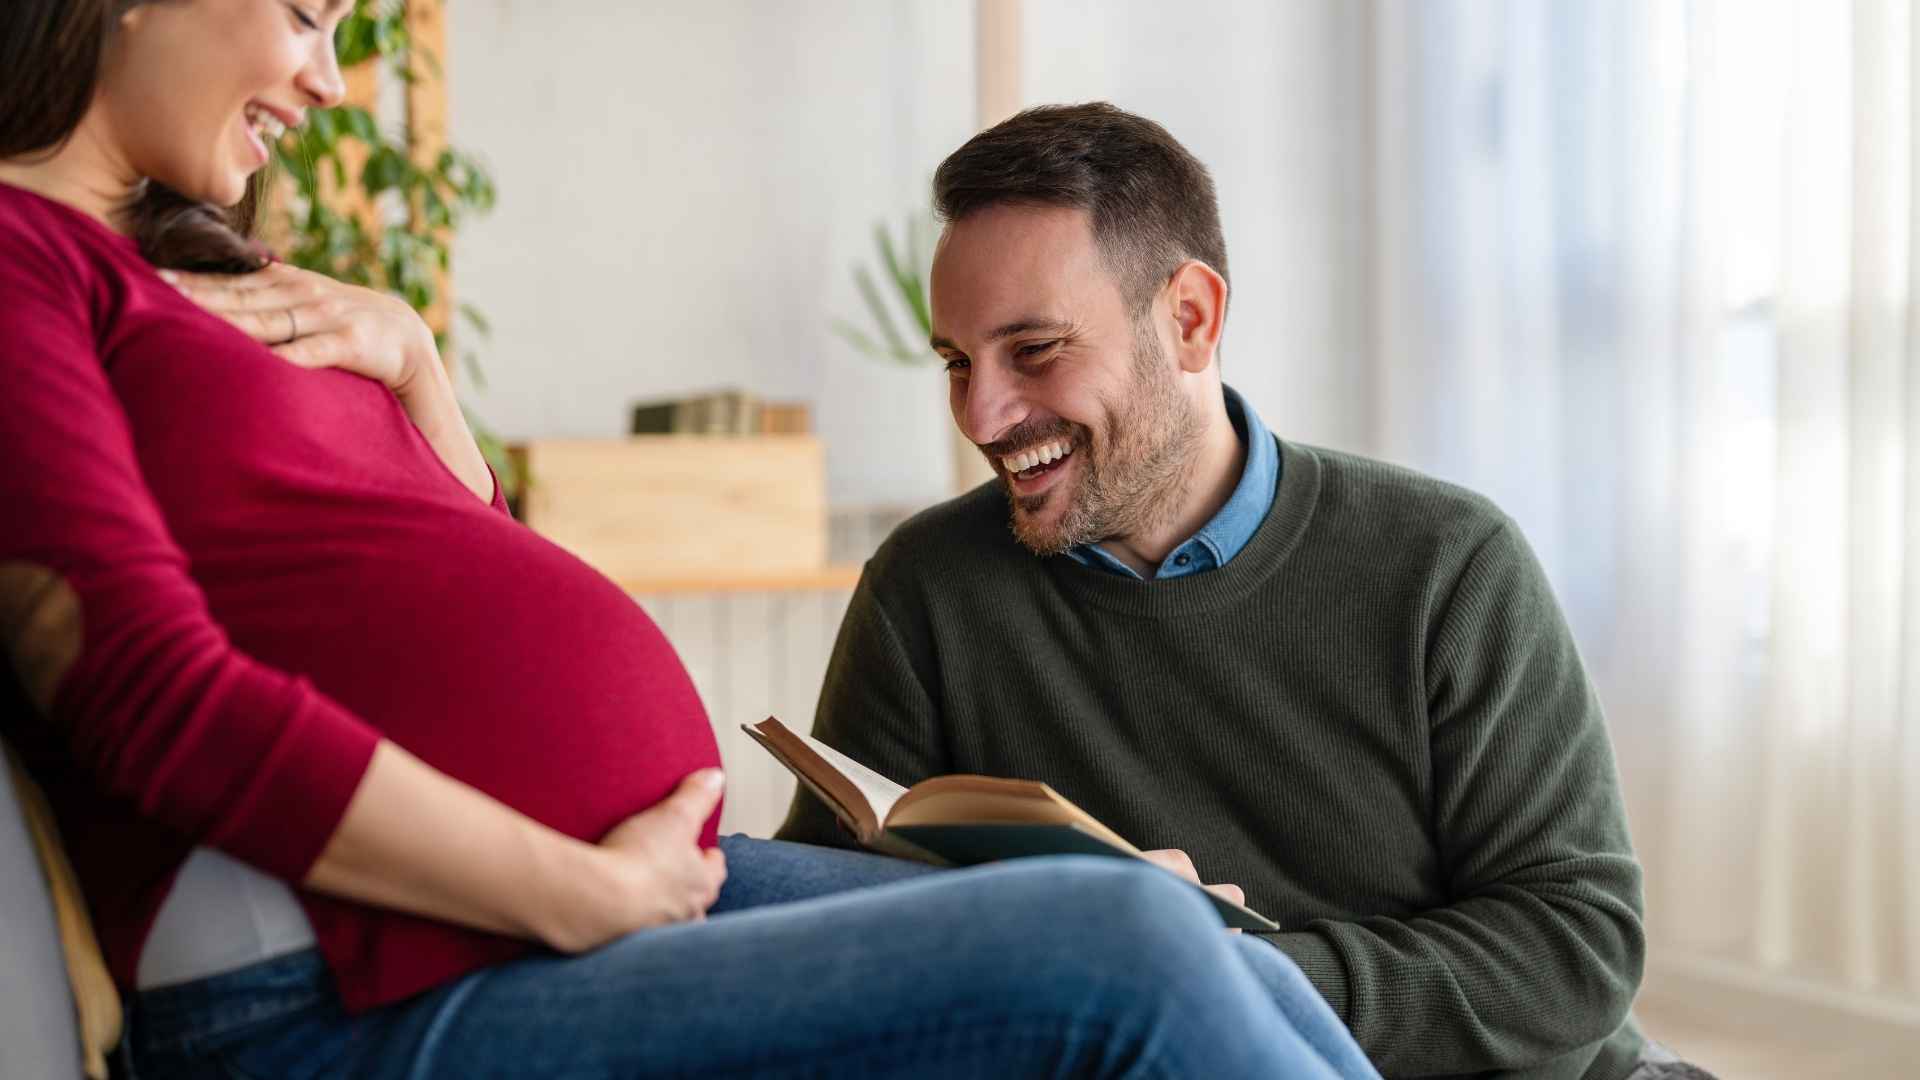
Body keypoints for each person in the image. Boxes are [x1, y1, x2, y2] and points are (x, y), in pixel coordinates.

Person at [0, 4, 1381, 1077]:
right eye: (307, 14)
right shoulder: (19, 257)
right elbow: (143, 694)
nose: (329, 80)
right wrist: (584, 892)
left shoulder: (188, 274)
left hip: (527, 912)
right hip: (346, 980)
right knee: (1123, 952)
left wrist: (417, 364)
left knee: (1203, 942)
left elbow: (455, 566)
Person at [777, 102, 1664, 1080]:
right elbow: (831, 920)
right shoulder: (928, 587)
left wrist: (1219, 976)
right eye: (957, 362)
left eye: (1034, 350)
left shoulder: (1447, 564)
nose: (981, 415)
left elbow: (1575, 948)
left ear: (1190, 319)